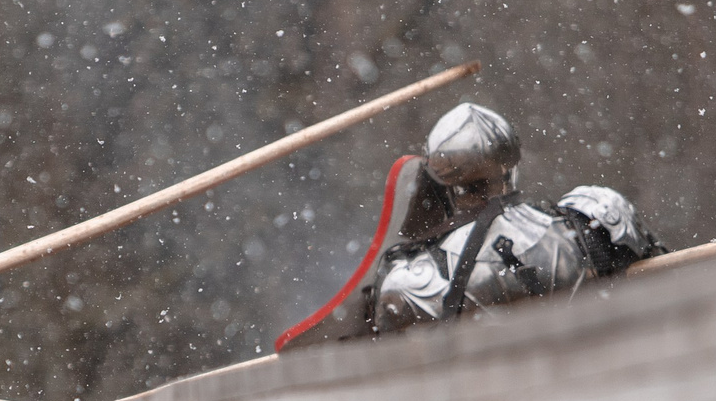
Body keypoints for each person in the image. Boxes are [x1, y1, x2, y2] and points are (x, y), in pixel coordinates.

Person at [276, 102, 665, 350]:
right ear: (512, 162)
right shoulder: (593, 219)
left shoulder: (411, 282)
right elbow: (662, 285)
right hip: (603, 393)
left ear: (440, 182)